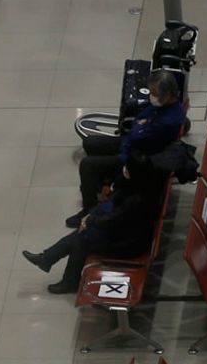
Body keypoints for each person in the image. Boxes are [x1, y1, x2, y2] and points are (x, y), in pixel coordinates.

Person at [24, 155, 167, 294]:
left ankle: (66, 279)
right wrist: (91, 216)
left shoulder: (135, 200)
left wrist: (90, 221)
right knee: (82, 234)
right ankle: (48, 260)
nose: (123, 170)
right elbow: (113, 209)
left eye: (126, 169)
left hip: (129, 244)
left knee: (81, 241)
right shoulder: (142, 185)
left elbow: (114, 220)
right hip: (128, 232)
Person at [72, 69, 185, 228]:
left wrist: (137, 131)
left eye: (154, 93)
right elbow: (138, 121)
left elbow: (138, 137)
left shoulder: (168, 120)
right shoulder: (162, 105)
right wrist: (138, 129)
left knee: (87, 165)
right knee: (90, 143)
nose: (151, 97)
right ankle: (102, 184)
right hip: (132, 144)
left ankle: (89, 207)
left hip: (137, 157)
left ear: (166, 95)